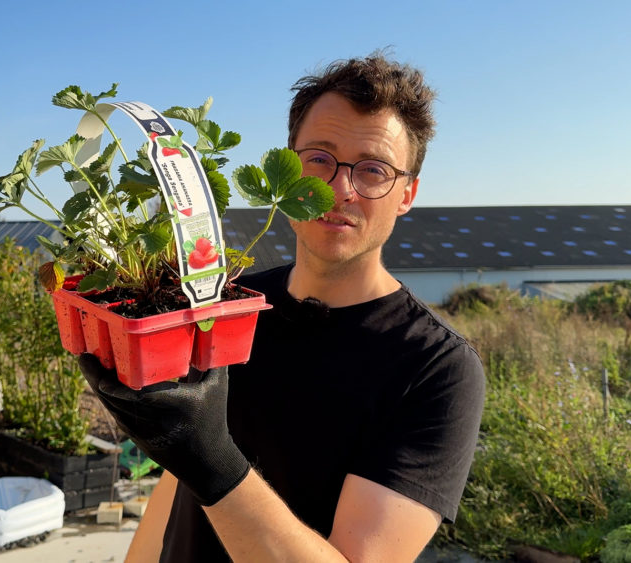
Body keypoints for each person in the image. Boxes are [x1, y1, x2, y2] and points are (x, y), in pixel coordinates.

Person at [80, 52, 486, 562]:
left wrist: (212, 460)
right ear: (288, 168)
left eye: (373, 169)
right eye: (319, 158)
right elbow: (174, 488)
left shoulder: (436, 368)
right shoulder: (228, 306)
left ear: (407, 193)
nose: (339, 189)